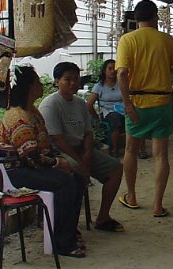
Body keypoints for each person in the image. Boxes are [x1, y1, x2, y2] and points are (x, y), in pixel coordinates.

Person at [0, 66, 87, 257]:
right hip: (17, 171)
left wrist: (59, 160)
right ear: (28, 87)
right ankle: (62, 242)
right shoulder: (18, 117)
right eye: (37, 82)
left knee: (78, 178)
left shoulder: (32, 111)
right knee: (65, 182)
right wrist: (57, 164)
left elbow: (43, 148)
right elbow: (31, 157)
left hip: (32, 165)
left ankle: (68, 231)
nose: (41, 85)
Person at [115, 0, 173, 218]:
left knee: (130, 151)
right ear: (155, 17)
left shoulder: (127, 40)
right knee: (161, 155)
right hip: (161, 103)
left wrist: (127, 104)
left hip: (136, 103)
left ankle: (132, 196)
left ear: (136, 18)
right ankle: (157, 205)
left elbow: (121, 73)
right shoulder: (166, 39)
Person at [40, 61, 124, 233]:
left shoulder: (79, 103)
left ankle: (103, 217)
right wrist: (80, 161)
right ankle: (68, 227)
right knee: (75, 173)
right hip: (59, 152)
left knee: (115, 168)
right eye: (67, 79)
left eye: (75, 78)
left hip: (80, 149)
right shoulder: (50, 104)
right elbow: (58, 139)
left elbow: (87, 132)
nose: (73, 83)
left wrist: (87, 153)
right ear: (57, 81)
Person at [86, 59, 124, 157]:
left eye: (114, 69)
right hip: (107, 112)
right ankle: (115, 150)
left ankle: (140, 149)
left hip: (122, 109)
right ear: (104, 71)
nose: (112, 71)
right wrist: (96, 118)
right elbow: (89, 104)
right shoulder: (99, 86)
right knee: (115, 118)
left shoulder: (121, 83)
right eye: (109, 69)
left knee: (136, 114)